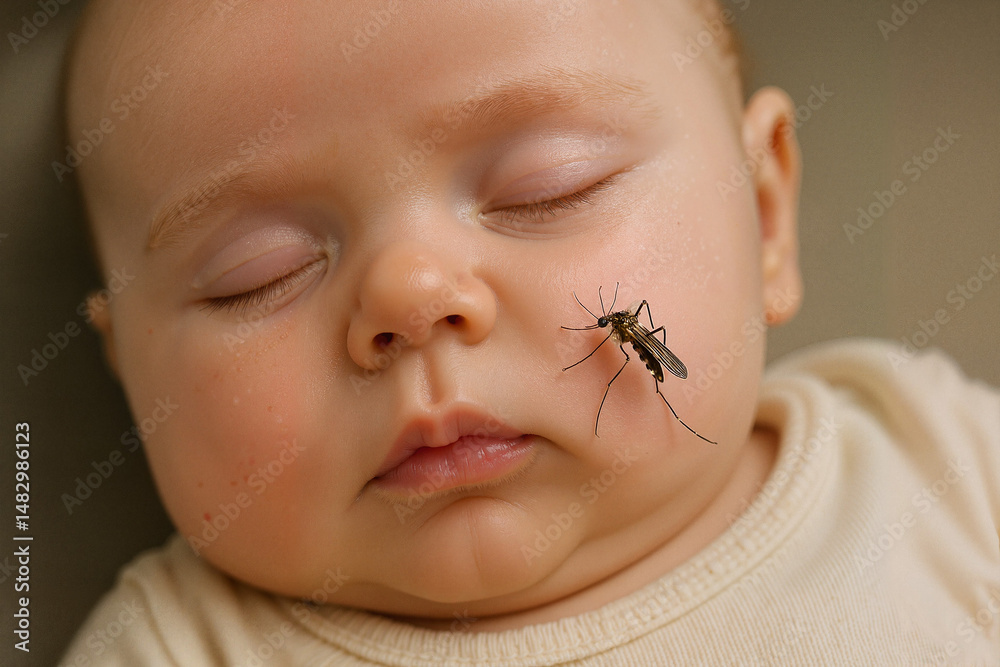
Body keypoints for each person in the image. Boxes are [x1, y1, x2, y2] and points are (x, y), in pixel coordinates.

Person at [60, 0, 999, 664]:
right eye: (256, 274)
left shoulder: (945, 461)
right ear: (129, 373)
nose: (413, 296)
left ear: (763, 213)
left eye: (551, 187)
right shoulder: (176, 648)